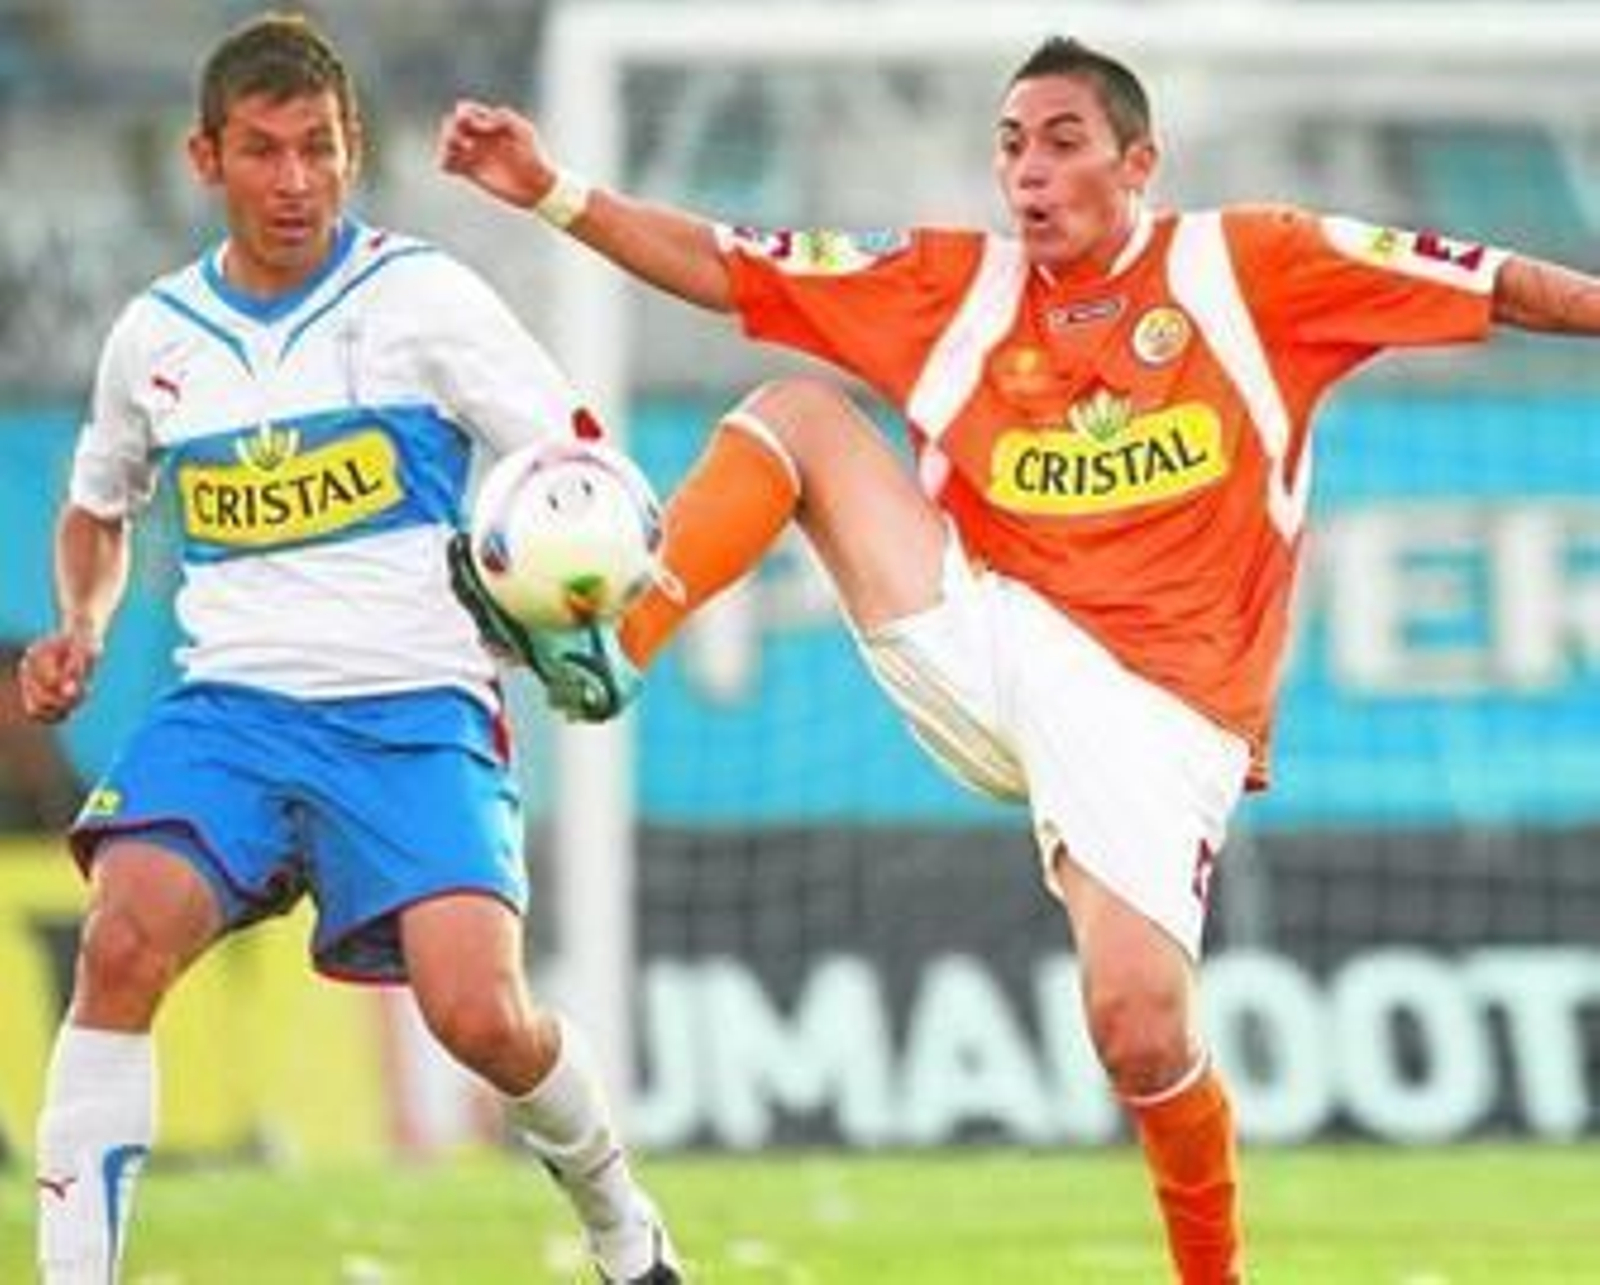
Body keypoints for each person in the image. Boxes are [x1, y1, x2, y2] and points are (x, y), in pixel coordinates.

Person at [438, 34, 1600, 1285]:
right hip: (991, 630)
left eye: (1061, 142)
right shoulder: (949, 288)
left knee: (1137, 1026)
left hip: (1162, 711)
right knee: (795, 416)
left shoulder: (1252, 264)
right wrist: (552, 190)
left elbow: (1494, 281)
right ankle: (616, 648)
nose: (1029, 172)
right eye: (1010, 146)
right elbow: (728, 264)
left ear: (1137, 162)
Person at [18, 13, 681, 1285]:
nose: (295, 180)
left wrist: (576, 573)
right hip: (232, 709)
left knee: (481, 1017)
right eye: (263, 150)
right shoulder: (157, 337)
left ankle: (621, 1225)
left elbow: (577, 465)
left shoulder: (424, 299)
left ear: (352, 150)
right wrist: (83, 625)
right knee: (120, 941)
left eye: (318, 148)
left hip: (414, 710)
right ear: (205, 158)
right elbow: (100, 505)